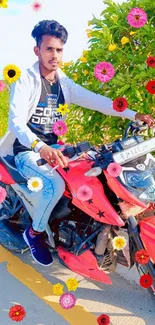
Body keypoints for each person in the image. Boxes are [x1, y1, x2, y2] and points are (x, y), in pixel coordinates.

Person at [3, 20, 154, 267]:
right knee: (53, 184)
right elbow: (16, 122)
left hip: (57, 147)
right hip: (28, 150)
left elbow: (97, 101)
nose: (54, 55)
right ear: (37, 51)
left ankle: (80, 229)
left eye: (59, 50)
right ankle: (35, 233)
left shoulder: (64, 83)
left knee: (96, 173)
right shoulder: (26, 81)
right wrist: (40, 147)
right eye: (49, 49)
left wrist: (133, 114)